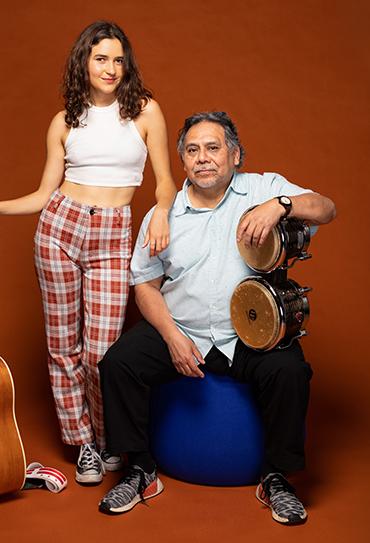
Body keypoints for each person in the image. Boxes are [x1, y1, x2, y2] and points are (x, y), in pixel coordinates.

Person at [98, 111, 337, 523]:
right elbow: (145, 286)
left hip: (248, 335)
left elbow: (327, 209)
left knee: (290, 371)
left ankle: (276, 477)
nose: (203, 158)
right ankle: (141, 468)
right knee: (117, 364)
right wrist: (172, 338)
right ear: (183, 161)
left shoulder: (263, 188)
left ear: (236, 154)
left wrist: (280, 206)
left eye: (213, 147)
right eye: (192, 150)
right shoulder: (164, 213)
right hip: (183, 328)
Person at [0, 21, 177, 485]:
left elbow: (165, 182)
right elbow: (45, 193)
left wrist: (162, 211)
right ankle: (83, 444)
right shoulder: (65, 121)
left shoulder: (145, 112)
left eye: (119, 59)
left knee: (101, 352)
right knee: (63, 347)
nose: (111, 68)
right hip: (59, 227)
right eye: (101, 58)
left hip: (115, 235)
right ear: (84, 61)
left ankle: (108, 438)